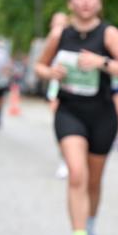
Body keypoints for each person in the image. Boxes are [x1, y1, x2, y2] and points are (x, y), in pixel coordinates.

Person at [35, 0, 118, 235]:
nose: (85, 1)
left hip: (102, 116)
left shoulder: (109, 34)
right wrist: (51, 72)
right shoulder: (60, 34)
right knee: (76, 174)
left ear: (99, 2)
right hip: (69, 112)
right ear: (71, 2)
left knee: (93, 182)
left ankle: (90, 228)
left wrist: (102, 62)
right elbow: (39, 67)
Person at [45, 11, 71, 178]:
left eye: (62, 24)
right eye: (56, 24)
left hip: (74, 87)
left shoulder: (74, 40)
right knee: (60, 124)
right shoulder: (50, 43)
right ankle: (63, 159)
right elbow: (41, 66)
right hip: (56, 86)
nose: (59, 28)